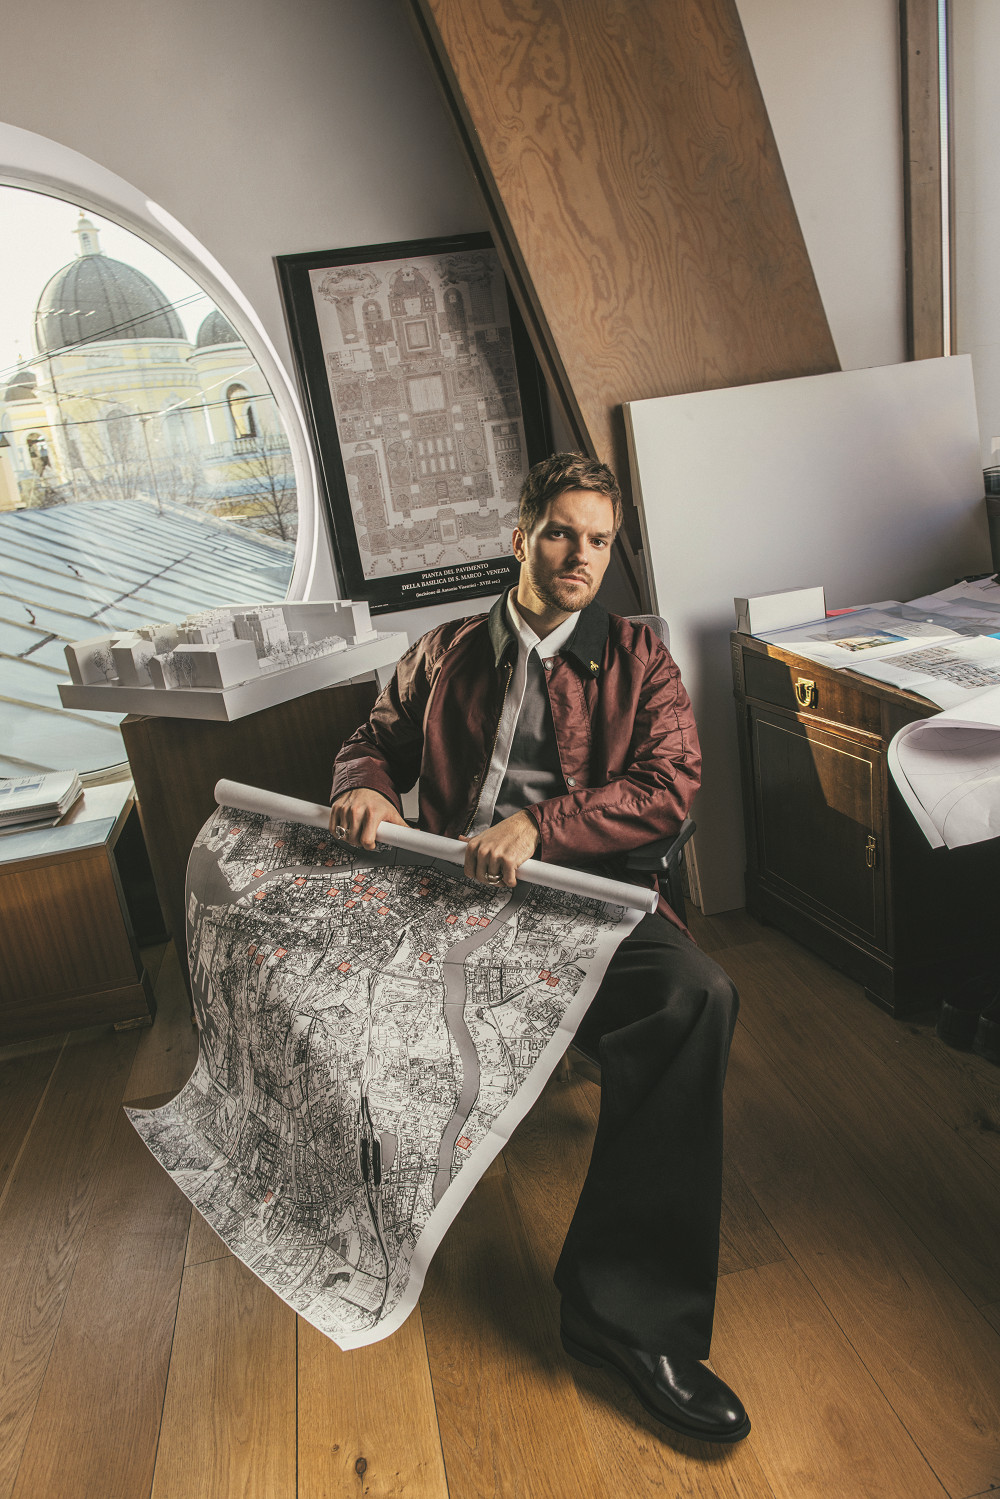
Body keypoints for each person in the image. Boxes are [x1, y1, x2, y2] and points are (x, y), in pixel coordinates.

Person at [330, 452, 749, 1444]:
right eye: (561, 532)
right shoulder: (442, 651)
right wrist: (367, 786)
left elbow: (670, 783)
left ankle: (624, 1316)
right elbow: (373, 737)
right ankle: (336, 1222)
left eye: (598, 540)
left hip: (582, 900)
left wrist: (544, 826)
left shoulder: (642, 661)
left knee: (696, 995)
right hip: (446, 902)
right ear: (521, 536)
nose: (579, 556)